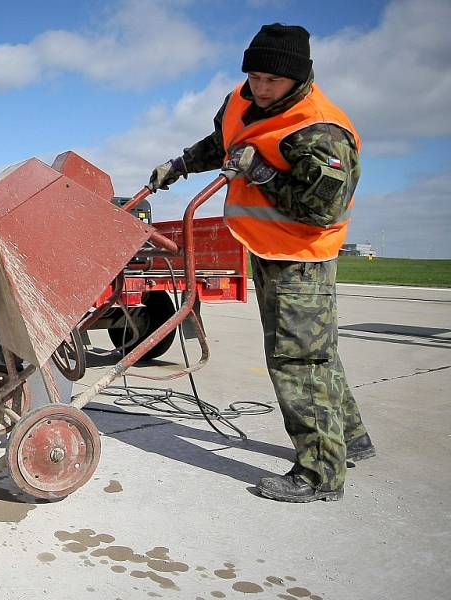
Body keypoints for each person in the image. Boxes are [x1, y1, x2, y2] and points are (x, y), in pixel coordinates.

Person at [147, 23, 374, 503]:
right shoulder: (242, 98)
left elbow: (321, 209)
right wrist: (181, 165)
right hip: (266, 248)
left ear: (299, 78)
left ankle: (319, 474)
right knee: (318, 355)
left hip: (301, 259)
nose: (260, 88)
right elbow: (222, 142)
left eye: (272, 80)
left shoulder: (320, 131)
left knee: (299, 361)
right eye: (254, 76)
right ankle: (348, 441)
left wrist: (264, 173)